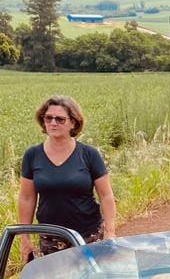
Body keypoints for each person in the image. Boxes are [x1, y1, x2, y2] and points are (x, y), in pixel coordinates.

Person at [18, 95, 116, 262]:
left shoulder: (89, 154)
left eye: (60, 119)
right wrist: (24, 238)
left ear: (73, 122)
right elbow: (26, 198)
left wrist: (110, 232)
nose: (53, 123)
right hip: (51, 239)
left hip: (88, 235)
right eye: (48, 118)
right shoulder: (32, 155)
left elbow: (106, 195)